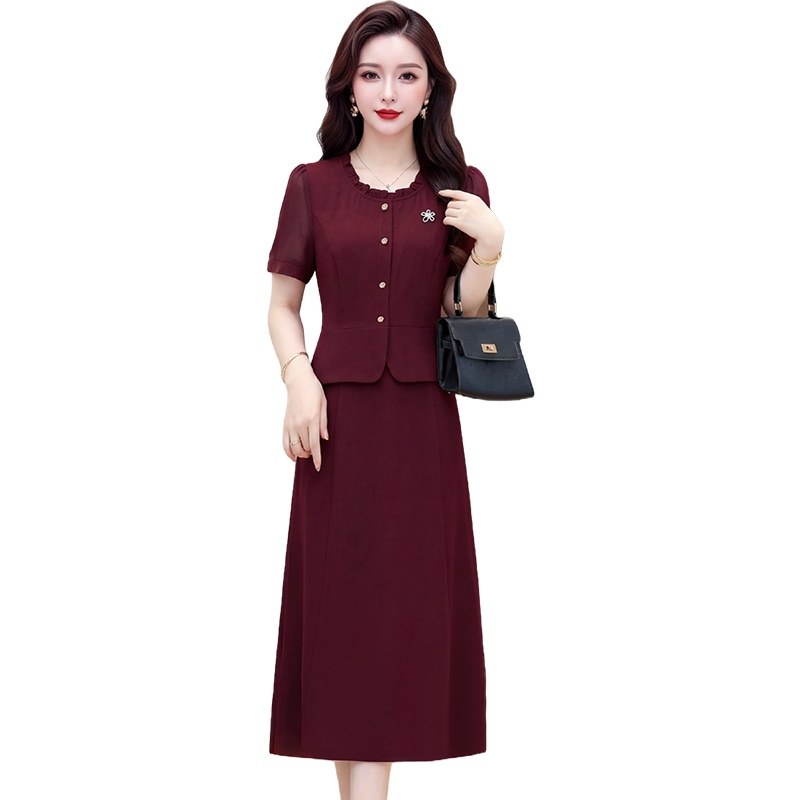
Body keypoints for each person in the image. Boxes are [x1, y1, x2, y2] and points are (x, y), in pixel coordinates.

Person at [265, 3, 504, 798]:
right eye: (372, 75)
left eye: (407, 75)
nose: (389, 91)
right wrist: (299, 376)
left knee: (404, 620)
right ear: (349, 87)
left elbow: (461, 313)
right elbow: (282, 304)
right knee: (344, 619)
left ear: (431, 88)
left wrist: (489, 249)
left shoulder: (460, 188)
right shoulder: (312, 186)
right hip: (334, 428)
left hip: (421, 428)